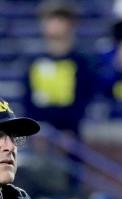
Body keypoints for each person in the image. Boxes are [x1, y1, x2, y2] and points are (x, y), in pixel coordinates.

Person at [24, 1, 96, 134]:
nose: (54, 24)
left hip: (71, 136)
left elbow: (83, 99)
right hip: (40, 135)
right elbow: (28, 99)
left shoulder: (81, 63)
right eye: (50, 19)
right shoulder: (34, 62)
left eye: (60, 19)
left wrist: (69, 129)